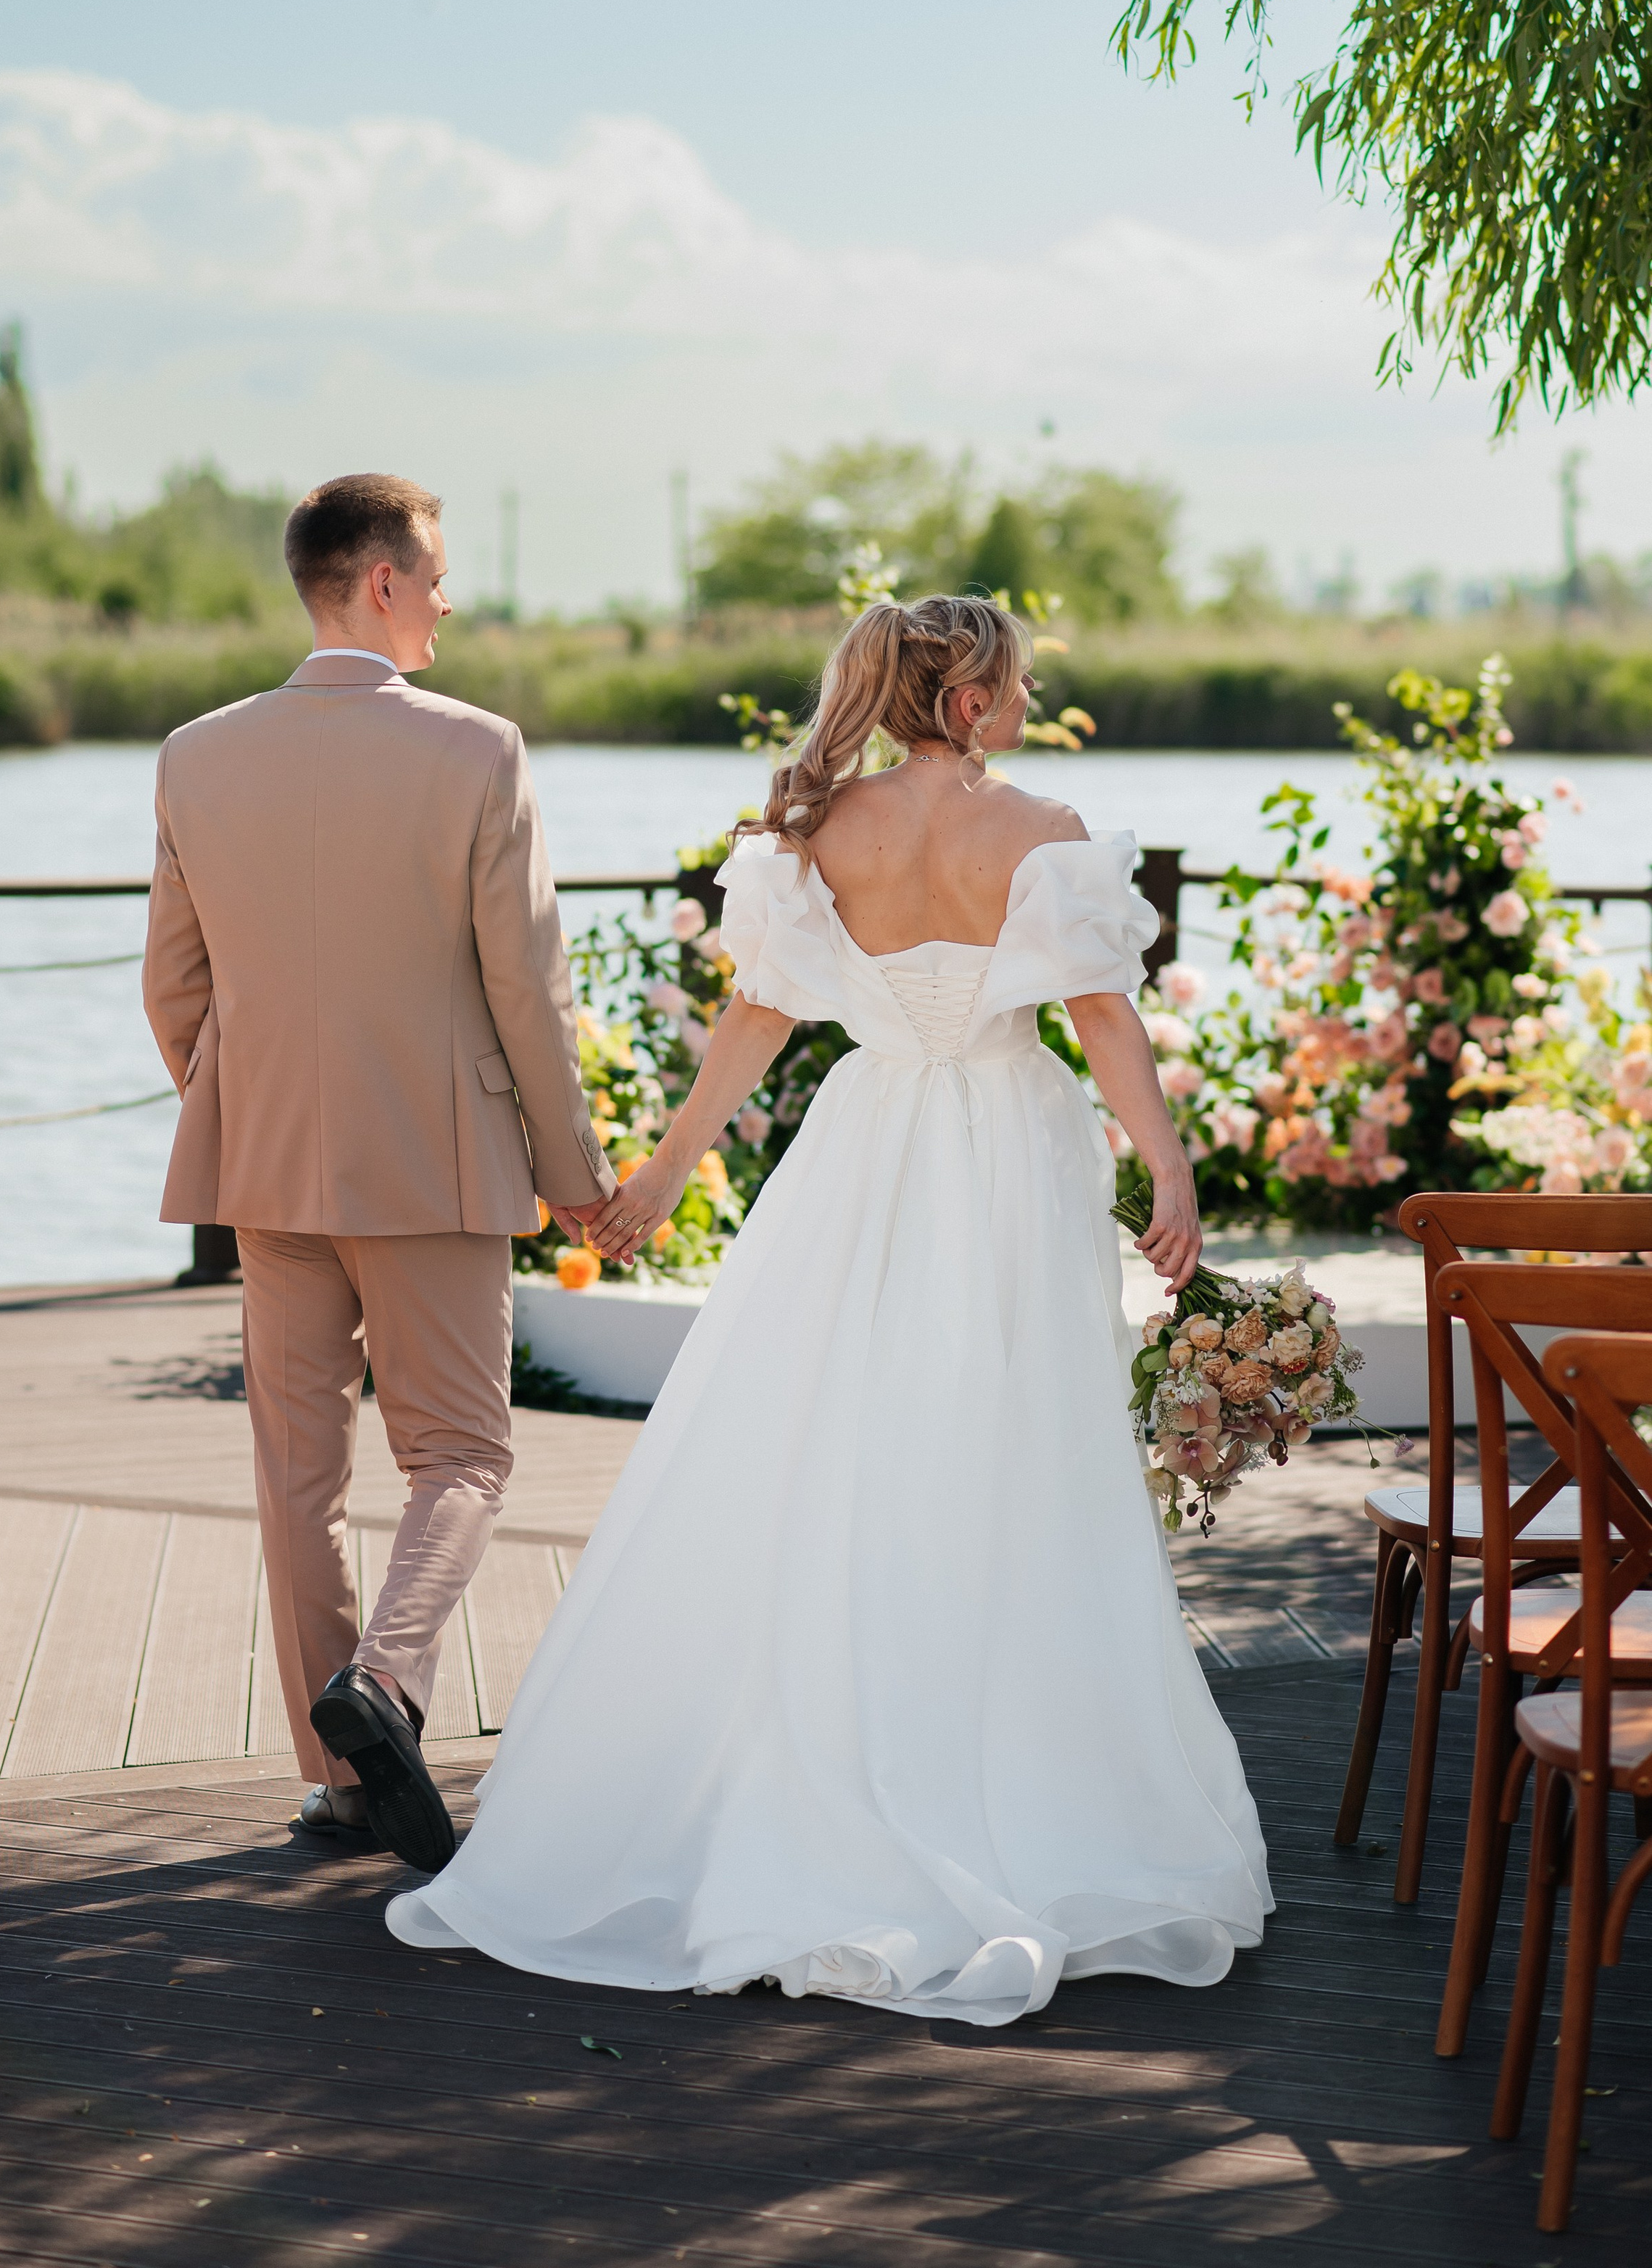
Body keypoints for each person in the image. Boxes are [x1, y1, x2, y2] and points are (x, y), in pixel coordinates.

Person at [384, 593, 1271, 2022]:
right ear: (969, 699)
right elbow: (1101, 1018)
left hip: (861, 1146)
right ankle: (1004, 1777)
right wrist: (1165, 1169)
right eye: (1018, 681)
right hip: (999, 1145)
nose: (1030, 700)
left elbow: (758, 1015)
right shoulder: (1039, 831)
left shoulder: (819, 833)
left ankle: (812, 1759)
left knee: (829, 1438)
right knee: (1005, 1449)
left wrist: (667, 1171)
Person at [141, 471, 613, 1864]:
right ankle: (388, 1685)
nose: (452, 602)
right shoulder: (479, 752)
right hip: (437, 1161)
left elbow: (174, 989)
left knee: (297, 1476)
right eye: (440, 575)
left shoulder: (195, 753)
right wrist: (572, 1167)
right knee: (460, 1453)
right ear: (385, 582)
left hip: (269, 1168)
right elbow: (527, 990)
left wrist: (250, 1107)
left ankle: (336, 1779)